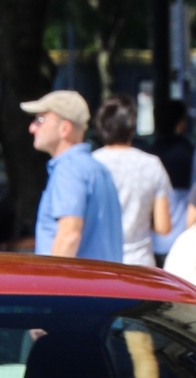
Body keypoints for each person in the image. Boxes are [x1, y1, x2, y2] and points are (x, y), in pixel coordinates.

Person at [23, 90, 123, 261]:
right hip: (103, 284)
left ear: (65, 129)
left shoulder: (68, 170)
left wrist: (49, 284)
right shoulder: (97, 169)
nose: (32, 127)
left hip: (75, 286)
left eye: (40, 120)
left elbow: (69, 236)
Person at [89, 95, 173, 266]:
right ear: (132, 127)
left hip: (98, 262)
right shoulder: (152, 165)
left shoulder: (90, 165)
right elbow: (163, 226)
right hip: (140, 263)